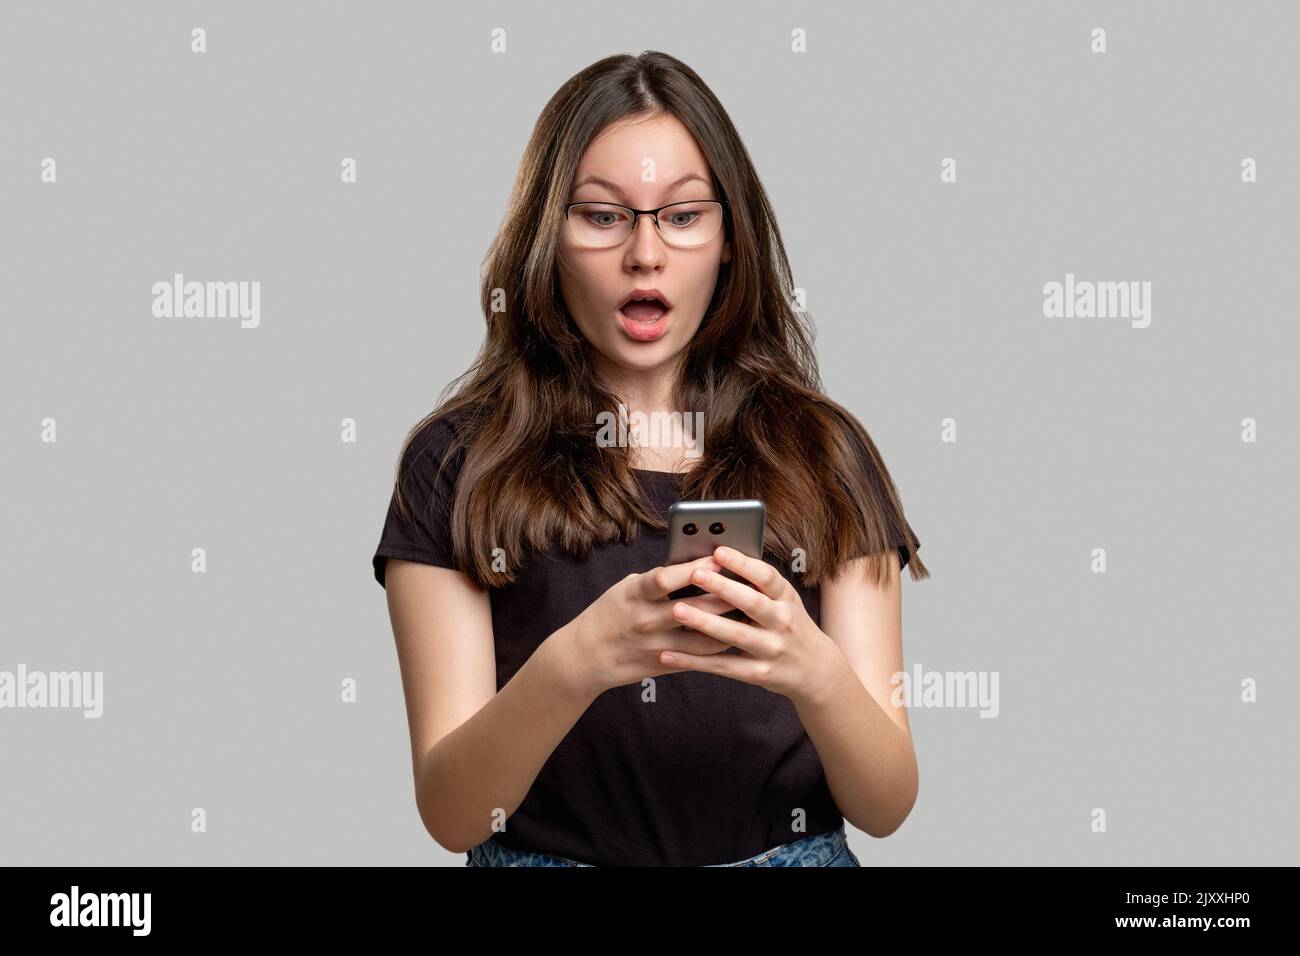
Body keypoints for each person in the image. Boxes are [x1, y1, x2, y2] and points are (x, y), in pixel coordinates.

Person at [372, 50, 928, 868]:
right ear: (546, 239)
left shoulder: (825, 453)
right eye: (602, 216)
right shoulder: (456, 463)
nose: (645, 253)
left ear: (730, 239)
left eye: (682, 215)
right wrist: (577, 662)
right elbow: (454, 815)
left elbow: (886, 805)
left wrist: (814, 671)